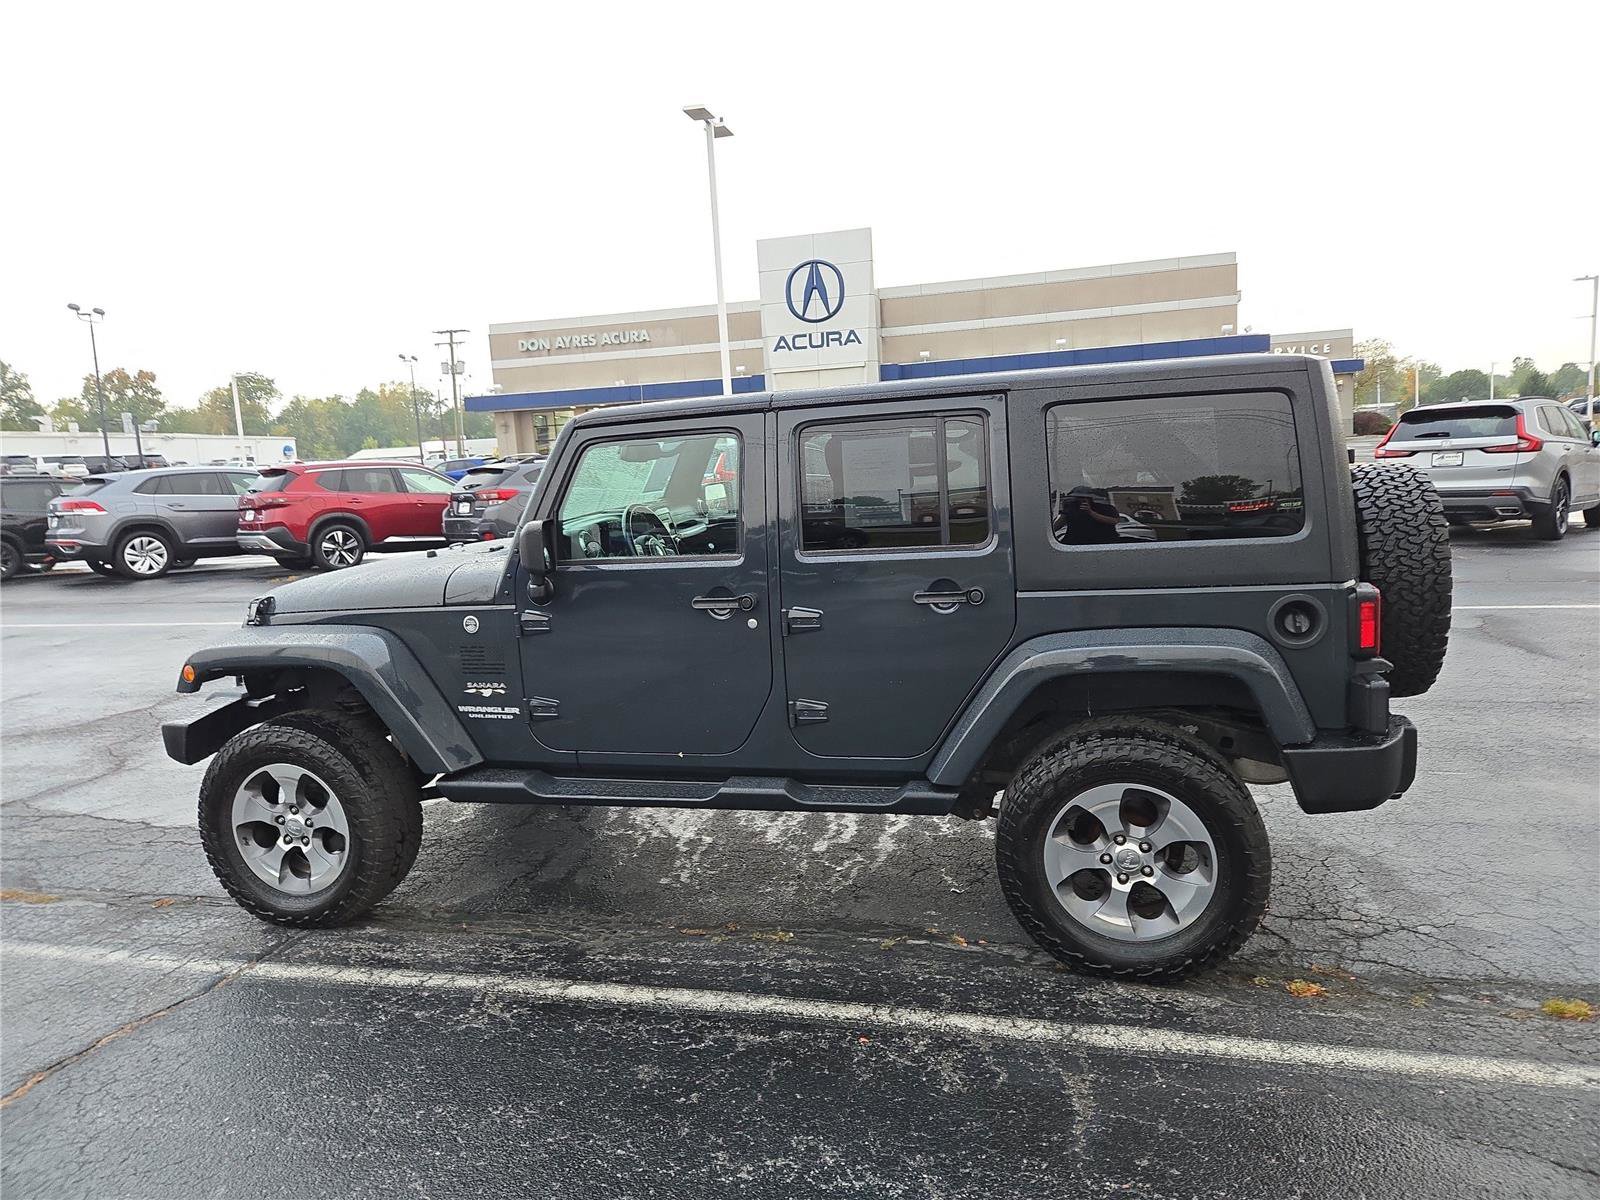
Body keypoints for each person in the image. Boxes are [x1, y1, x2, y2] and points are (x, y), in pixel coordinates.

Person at [1054, 485, 1123, 545]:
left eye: (1084, 497)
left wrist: (1090, 512)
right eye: (1078, 498)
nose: (1081, 500)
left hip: (1102, 544)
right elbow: (1060, 523)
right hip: (1075, 544)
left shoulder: (1105, 507)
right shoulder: (1071, 508)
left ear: (1091, 498)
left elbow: (1114, 521)